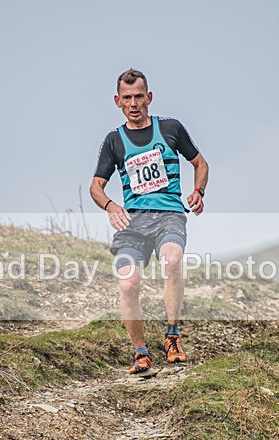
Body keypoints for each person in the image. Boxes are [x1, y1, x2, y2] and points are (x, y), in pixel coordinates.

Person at [90, 68, 209, 375]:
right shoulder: (114, 141)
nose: (134, 103)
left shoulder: (170, 129)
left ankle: (172, 337)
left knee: (172, 262)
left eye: (139, 96)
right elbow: (95, 186)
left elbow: (200, 163)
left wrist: (198, 191)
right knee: (128, 284)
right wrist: (110, 205)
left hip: (169, 216)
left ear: (149, 97)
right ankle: (140, 353)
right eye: (127, 98)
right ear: (117, 101)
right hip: (132, 225)